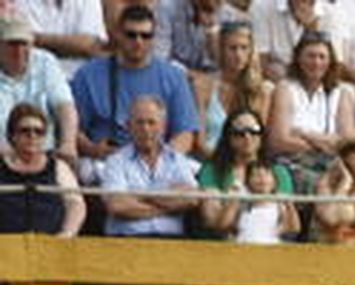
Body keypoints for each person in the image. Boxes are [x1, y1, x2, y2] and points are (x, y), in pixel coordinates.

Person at [71, 4, 200, 178]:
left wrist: (159, 161)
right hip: (105, 162)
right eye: (131, 35)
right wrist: (92, 149)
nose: (138, 41)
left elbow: (185, 134)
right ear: (118, 34)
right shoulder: (87, 75)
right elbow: (73, 129)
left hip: (160, 164)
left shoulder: (174, 76)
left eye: (146, 36)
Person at [267, 31, 355, 193]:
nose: (316, 62)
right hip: (292, 164)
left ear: (330, 61)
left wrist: (304, 134)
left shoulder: (341, 93)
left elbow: (347, 145)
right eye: (310, 56)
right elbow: (278, 141)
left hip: (332, 165)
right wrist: (326, 143)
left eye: (322, 57)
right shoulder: (285, 88)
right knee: (322, 186)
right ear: (299, 58)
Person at [101, 94, 198, 237]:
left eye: (151, 122)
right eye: (139, 122)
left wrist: (138, 194)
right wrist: (167, 205)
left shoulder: (177, 160)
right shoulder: (116, 161)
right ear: (129, 126)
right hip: (126, 242)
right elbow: (117, 205)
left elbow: (191, 199)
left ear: (163, 126)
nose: (145, 129)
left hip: (171, 243)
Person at [197, 107, 293, 236]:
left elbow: (288, 221)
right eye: (239, 132)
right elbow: (211, 220)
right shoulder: (212, 170)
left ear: (261, 135)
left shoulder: (279, 172)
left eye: (254, 131)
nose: (247, 137)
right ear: (228, 137)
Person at [0, 16, 79, 162]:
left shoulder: (45, 62)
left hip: (45, 155)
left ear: (32, 44)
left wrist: (68, 144)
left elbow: (65, 106)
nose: (19, 50)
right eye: (12, 44)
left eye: (24, 43)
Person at [0, 100, 84, 235]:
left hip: (50, 246)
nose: (32, 136)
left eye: (38, 132)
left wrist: (65, 235)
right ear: (12, 135)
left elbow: (76, 205)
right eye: (25, 131)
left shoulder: (58, 167)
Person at [190, 21, 272, 159]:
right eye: (232, 48)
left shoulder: (262, 90)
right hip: (209, 159)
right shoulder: (203, 86)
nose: (238, 54)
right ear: (222, 50)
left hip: (248, 163)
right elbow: (200, 142)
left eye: (244, 48)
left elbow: (260, 140)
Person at [15, 0, 104, 80]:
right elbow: (27, 48)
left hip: (83, 83)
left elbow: (90, 46)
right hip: (41, 83)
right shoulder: (22, 3)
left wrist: (38, 39)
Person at [254, 0, 336, 84]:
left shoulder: (328, 12)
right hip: (278, 80)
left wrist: (310, 28)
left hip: (314, 80)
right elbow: (261, 59)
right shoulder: (263, 7)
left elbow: (332, 64)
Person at [232, 159, 300, 243]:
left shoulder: (278, 205)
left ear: (274, 182)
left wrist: (289, 204)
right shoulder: (242, 203)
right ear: (247, 182)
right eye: (256, 175)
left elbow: (294, 227)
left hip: (270, 250)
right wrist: (235, 193)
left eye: (267, 174)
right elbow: (226, 224)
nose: (262, 178)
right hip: (244, 247)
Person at [153, 0, 222, 73]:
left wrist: (213, 44)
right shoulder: (167, 7)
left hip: (206, 78)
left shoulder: (227, 15)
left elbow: (217, 68)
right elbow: (160, 59)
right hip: (173, 76)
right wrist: (189, 74)